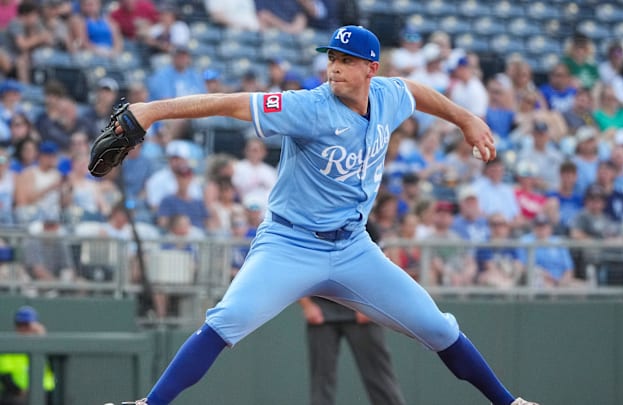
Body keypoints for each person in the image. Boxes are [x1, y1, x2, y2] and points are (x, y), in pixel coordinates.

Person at [118, 26, 537, 405]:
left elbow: (415, 90)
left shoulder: (387, 95)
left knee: (439, 328)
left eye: (346, 61)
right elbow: (230, 104)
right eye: (332, 58)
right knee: (227, 320)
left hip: (355, 248)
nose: (335, 68)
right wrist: (152, 111)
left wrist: (465, 118)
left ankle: (509, 403)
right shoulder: (308, 107)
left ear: (371, 68)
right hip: (289, 244)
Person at [299, 222, 405, 405]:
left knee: (379, 378)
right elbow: (298, 266)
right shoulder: (312, 222)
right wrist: (306, 304)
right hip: (322, 312)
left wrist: (373, 305)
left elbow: (383, 265)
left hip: (362, 308)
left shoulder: (366, 223)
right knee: (321, 381)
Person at [0, 306, 55, 405]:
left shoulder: (45, 345)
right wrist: (19, 391)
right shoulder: (10, 347)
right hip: (18, 395)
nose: (24, 329)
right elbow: (4, 375)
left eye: (27, 325)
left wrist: (43, 338)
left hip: (46, 393)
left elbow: (56, 366)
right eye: (20, 325)